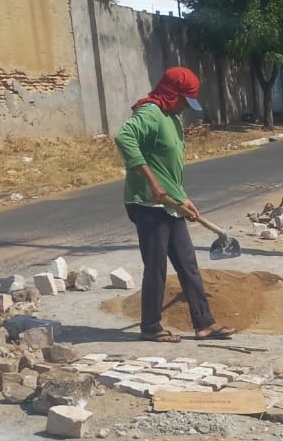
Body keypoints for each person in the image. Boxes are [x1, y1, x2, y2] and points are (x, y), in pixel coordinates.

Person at [115, 67, 235, 342]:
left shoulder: (171, 118)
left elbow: (167, 167)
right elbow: (124, 138)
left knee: (187, 262)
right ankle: (151, 326)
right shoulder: (150, 113)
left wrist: (182, 197)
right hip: (147, 204)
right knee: (156, 265)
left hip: (170, 203)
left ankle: (204, 323)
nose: (185, 107)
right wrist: (152, 183)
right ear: (171, 93)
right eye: (184, 100)